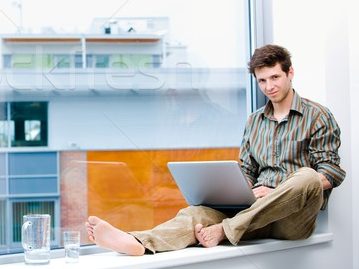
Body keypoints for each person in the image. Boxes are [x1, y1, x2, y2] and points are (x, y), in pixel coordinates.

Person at [85, 44, 346, 255]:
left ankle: (225, 230)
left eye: (275, 77)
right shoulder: (255, 121)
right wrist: (243, 190)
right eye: (262, 80)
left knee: (308, 176)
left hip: (292, 219)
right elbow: (247, 170)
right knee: (195, 213)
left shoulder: (317, 115)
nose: (269, 87)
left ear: (290, 73)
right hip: (254, 215)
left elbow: (330, 173)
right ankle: (139, 242)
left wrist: (277, 191)